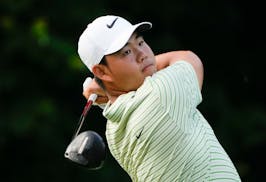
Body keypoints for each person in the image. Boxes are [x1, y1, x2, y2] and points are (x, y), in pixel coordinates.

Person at [77, 15, 241, 181]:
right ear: (101, 71)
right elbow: (189, 58)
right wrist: (102, 87)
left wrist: (105, 86)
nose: (142, 54)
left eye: (140, 43)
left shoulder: (113, 131)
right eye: (126, 52)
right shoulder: (161, 94)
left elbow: (122, 98)